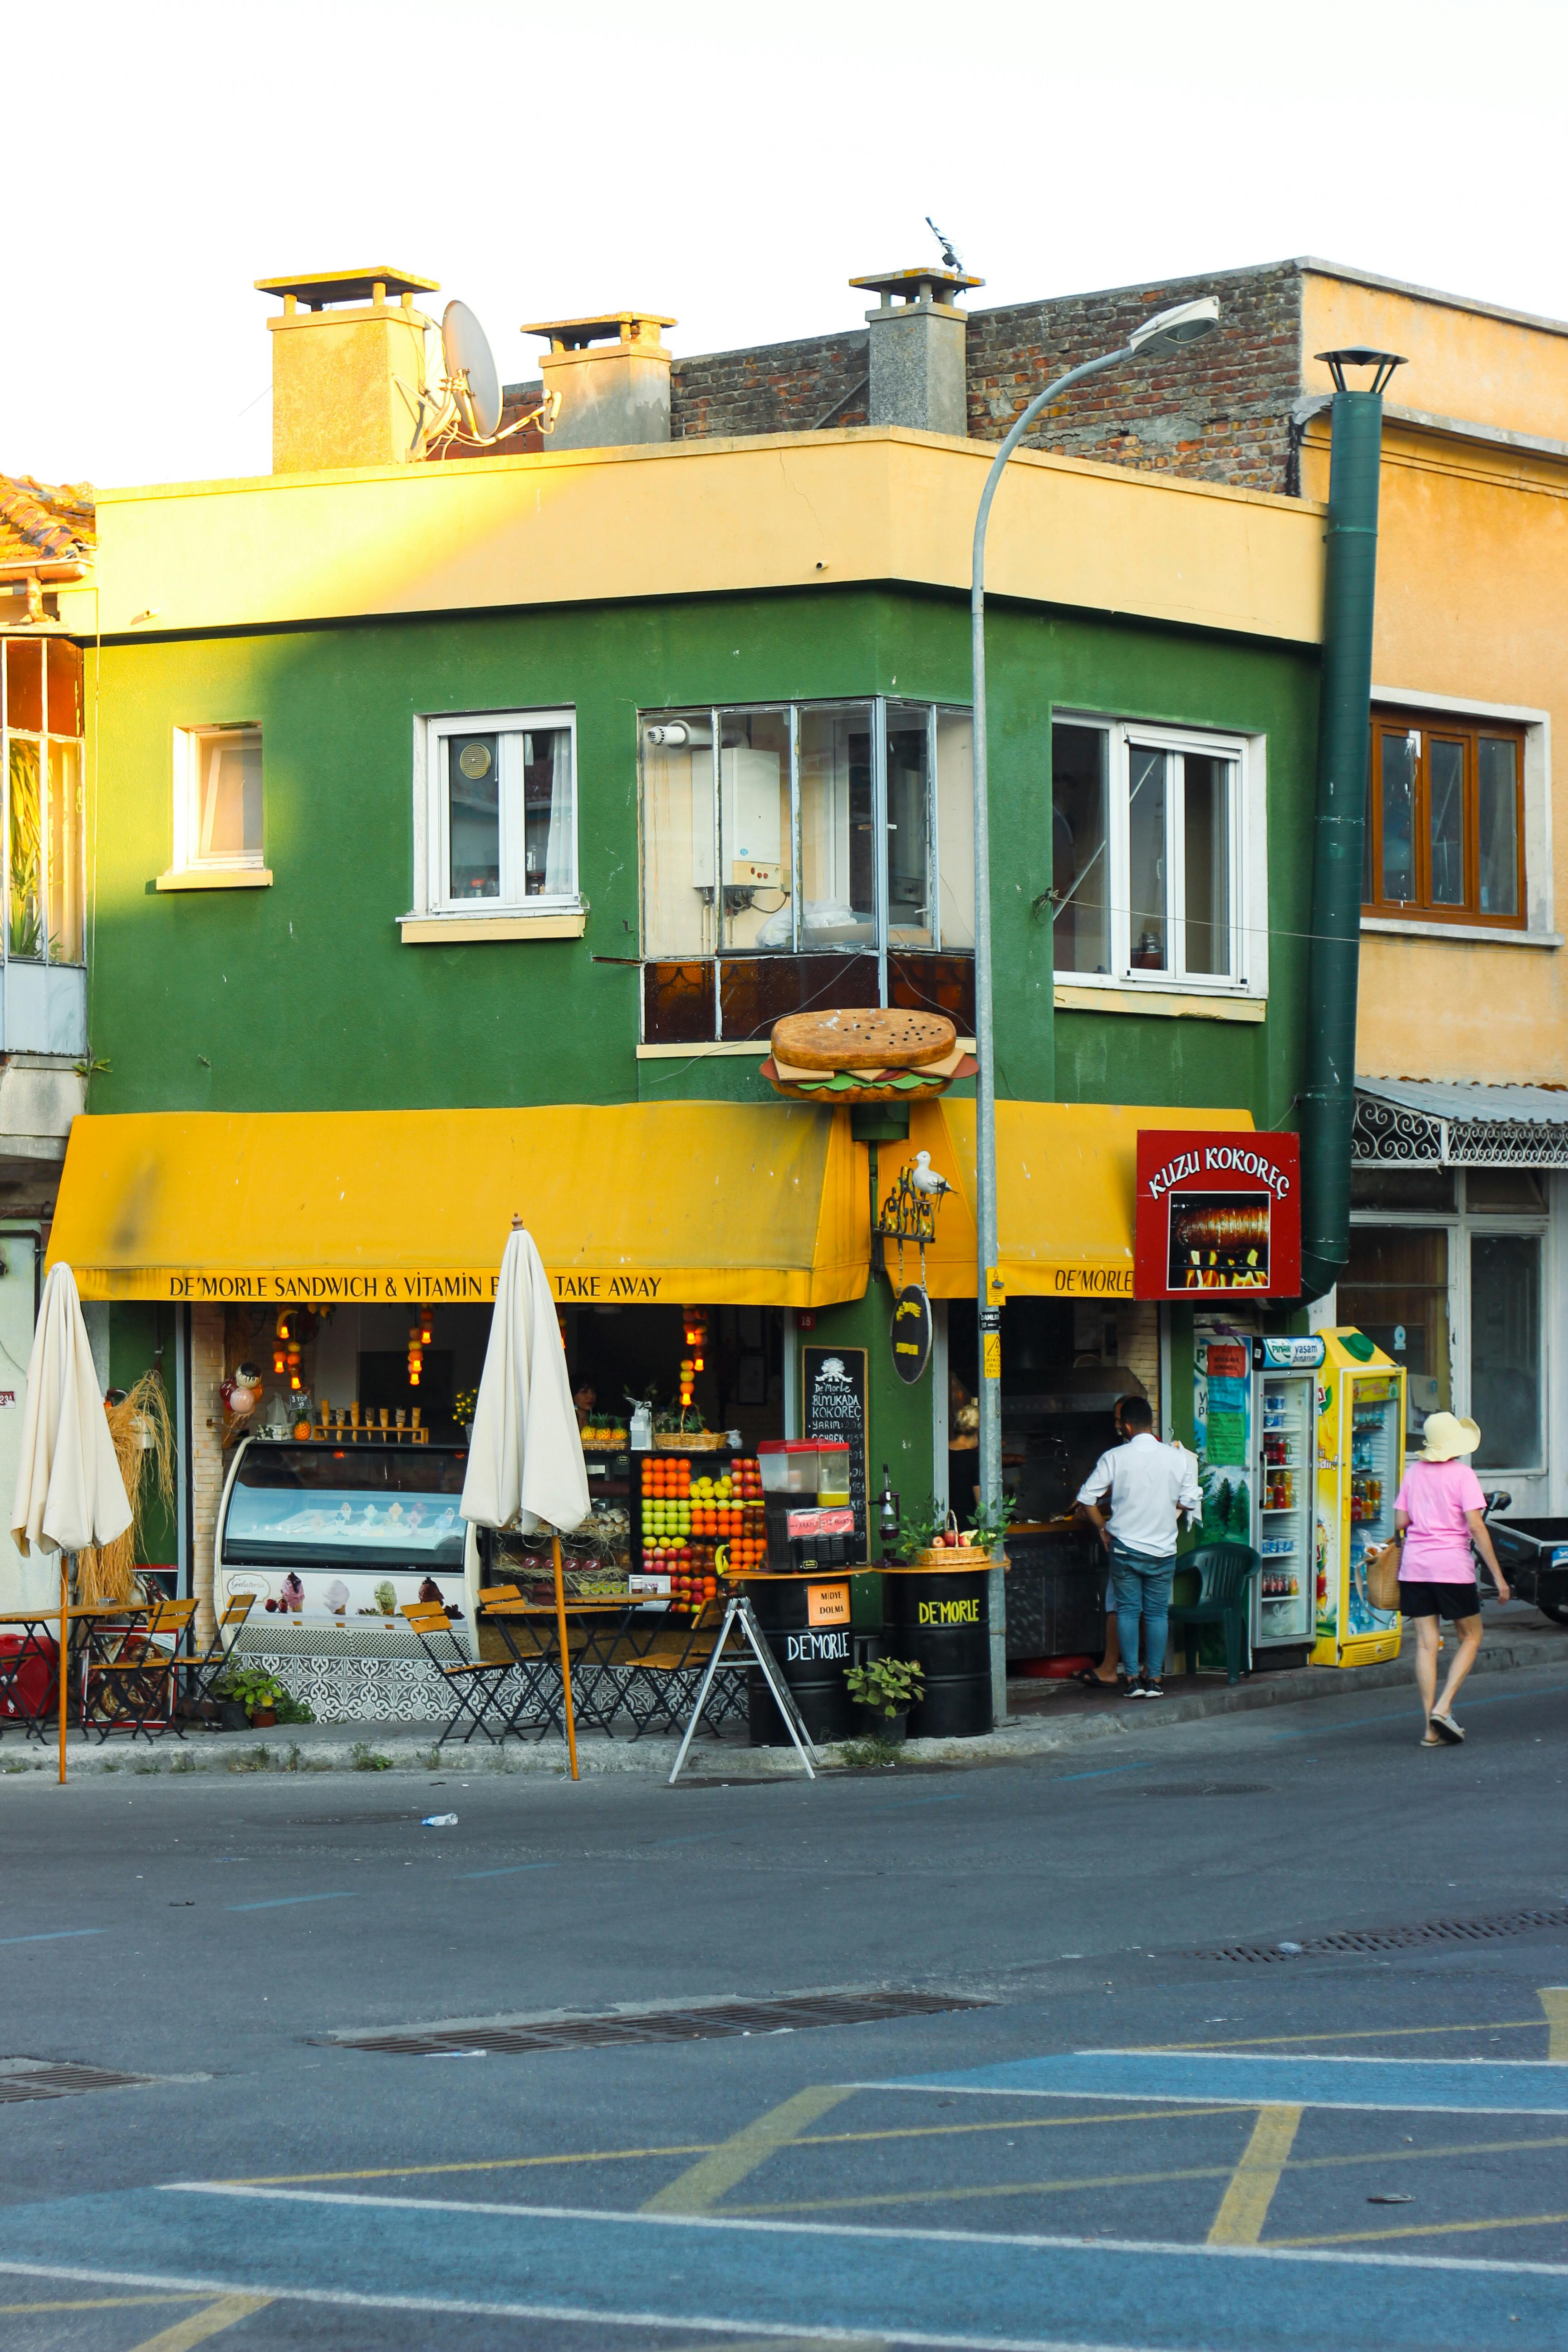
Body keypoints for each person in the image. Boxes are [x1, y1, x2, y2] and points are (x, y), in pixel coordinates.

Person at [1392, 1411, 1509, 1747]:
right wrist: (1498, 1576)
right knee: (1471, 1636)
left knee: (1427, 1645)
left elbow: (1401, 1522)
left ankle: (1430, 1729)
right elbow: (1476, 1526)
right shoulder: (1464, 1476)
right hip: (1451, 1569)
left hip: (1415, 1568)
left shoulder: (1414, 1473)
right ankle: (1443, 1707)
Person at [1076, 1395, 1200, 1699]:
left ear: (1127, 1426)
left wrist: (1103, 1530)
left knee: (1128, 1612)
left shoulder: (1115, 1457)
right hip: (1163, 1550)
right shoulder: (1177, 1458)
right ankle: (1154, 1679)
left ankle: (1132, 1679)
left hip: (1125, 1549)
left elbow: (1086, 1498)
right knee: (1157, 1614)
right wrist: (1167, 1509)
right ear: (1151, 1423)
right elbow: (1189, 1501)